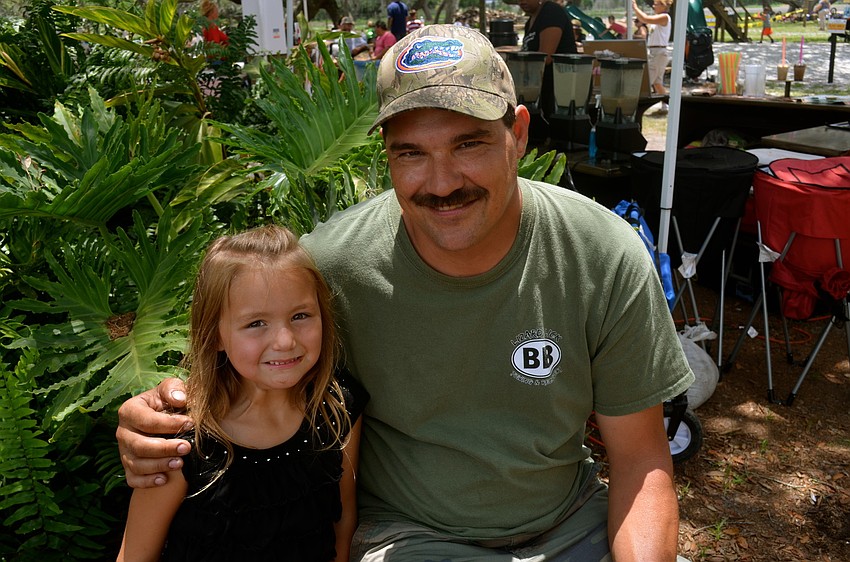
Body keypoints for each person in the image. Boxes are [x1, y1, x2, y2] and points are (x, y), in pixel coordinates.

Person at [116, 24, 694, 561]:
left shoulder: (601, 253)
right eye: (411, 153)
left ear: (517, 134)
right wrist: (157, 418)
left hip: (571, 523)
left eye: (469, 144)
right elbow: (242, 367)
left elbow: (640, 458)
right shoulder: (331, 270)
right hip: (413, 536)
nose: (441, 183)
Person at [116, 225, 368, 562]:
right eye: (256, 323)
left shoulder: (337, 409)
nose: (285, 340)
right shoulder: (181, 442)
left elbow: (343, 522)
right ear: (215, 335)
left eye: (301, 316)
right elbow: (134, 556)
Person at [518, 0, 578, 117]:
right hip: (541, 90)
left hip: (558, 92)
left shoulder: (551, 12)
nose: (521, 1)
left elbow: (545, 57)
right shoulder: (529, 22)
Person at [633, 0, 672, 109]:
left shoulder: (664, 17)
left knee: (646, 81)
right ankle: (667, 106)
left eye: (656, 4)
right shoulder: (659, 18)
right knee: (657, 83)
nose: (654, 6)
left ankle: (638, 107)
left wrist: (635, 8)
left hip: (658, 52)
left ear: (663, 6)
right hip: (656, 52)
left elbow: (645, 19)